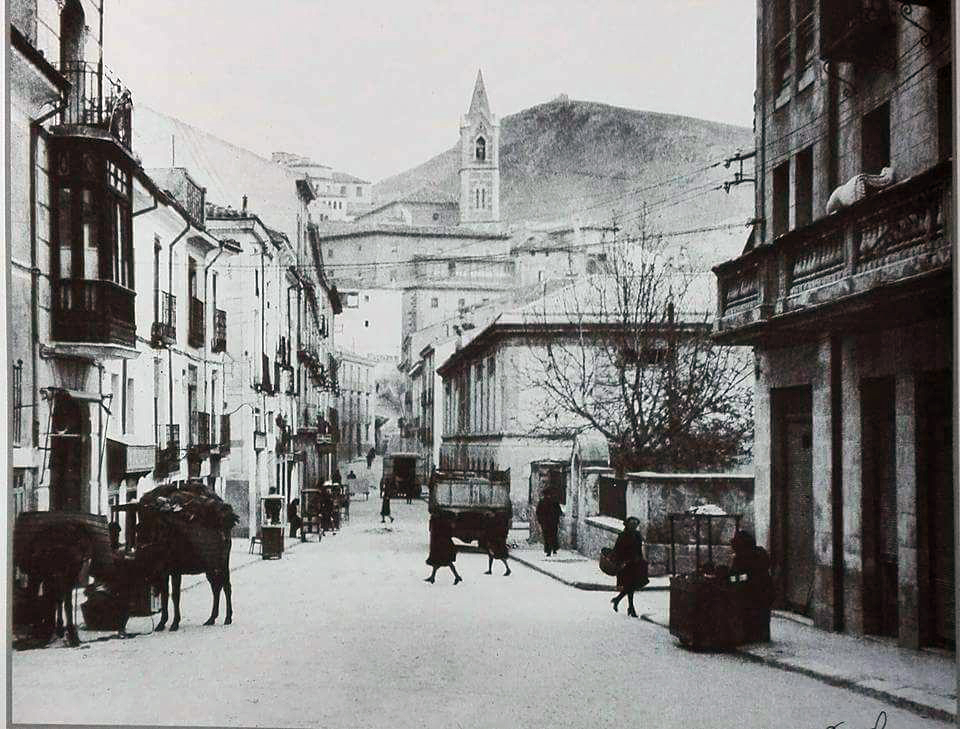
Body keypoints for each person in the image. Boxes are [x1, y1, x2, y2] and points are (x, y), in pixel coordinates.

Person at [730, 529, 773, 640]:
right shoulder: (761, 552)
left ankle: (749, 636)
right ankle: (762, 635)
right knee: (763, 614)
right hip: (765, 588)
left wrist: (730, 580)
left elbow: (738, 577)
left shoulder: (741, 557)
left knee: (749, 613)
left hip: (750, 591)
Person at [610, 516, 648, 618]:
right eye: (631, 524)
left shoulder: (637, 535)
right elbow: (617, 550)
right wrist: (620, 562)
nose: (633, 526)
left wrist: (641, 558)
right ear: (627, 525)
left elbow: (639, 549)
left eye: (635, 525)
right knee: (630, 586)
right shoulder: (622, 536)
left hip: (636, 564)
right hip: (626, 565)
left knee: (631, 586)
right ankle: (630, 608)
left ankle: (619, 600)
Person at [424, 513, 462, 584]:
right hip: (442, 544)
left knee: (445, 561)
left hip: (442, 545)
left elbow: (437, 533)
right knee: (438, 561)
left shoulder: (438, 522)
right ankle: (433, 577)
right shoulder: (441, 521)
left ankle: (457, 576)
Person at [535, 488, 563, 556]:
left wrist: (540, 521)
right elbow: (559, 512)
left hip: (545, 523)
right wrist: (556, 519)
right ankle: (554, 549)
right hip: (553, 522)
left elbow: (538, 512)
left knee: (547, 536)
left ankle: (548, 550)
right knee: (553, 535)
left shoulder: (542, 502)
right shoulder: (554, 502)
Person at [483, 512, 511, 576]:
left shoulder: (494, 521)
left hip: (495, 541)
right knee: (492, 554)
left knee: (498, 555)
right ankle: (490, 569)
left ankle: (507, 569)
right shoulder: (497, 521)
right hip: (495, 540)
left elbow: (491, 531)